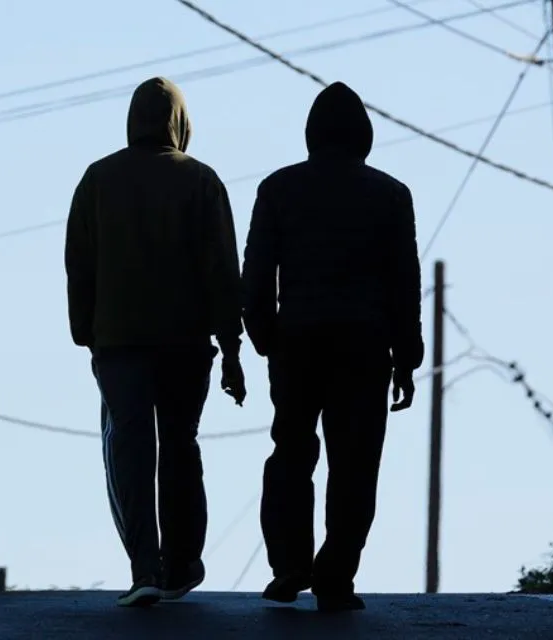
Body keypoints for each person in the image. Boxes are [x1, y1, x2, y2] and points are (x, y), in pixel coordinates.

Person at [241, 81, 424, 612]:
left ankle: (289, 566)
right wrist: (406, 358)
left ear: (311, 135)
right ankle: (336, 575)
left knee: (291, 452)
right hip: (365, 348)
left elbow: (255, 271)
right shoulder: (391, 194)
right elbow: (403, 283)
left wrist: (262, 335)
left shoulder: (278, 188)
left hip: (295, 341)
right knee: (355, 463)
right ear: (364, 137)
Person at [64, 76, 247, 608]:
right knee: (181, 445)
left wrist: (86, 331)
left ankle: (144, 565)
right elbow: (221, 271)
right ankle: (184, 563)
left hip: (118, 343)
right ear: (181, 123)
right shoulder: (202, 181)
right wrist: (231, 349)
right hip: (187, 344)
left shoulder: (97, 179)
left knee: (131, 444)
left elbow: (79, 263)